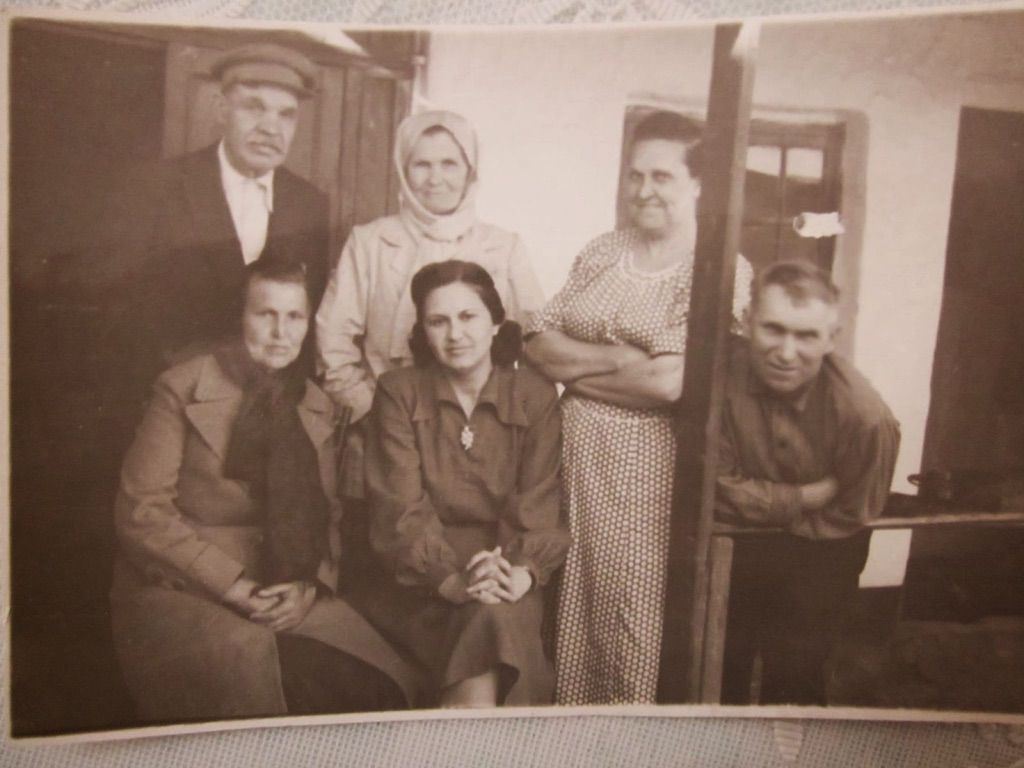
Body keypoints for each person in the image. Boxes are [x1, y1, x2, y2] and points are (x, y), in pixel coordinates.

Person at [109, 256, 419, 722]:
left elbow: (328, 514)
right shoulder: (182, 387)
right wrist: (234, 587)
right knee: (283, 686)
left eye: (294, 317)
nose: (281, 332)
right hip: (183, 591)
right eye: (265, 314)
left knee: (385, 687)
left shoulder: (314, 403)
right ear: (240, 316)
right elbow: (142, 514)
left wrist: (308, 585)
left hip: (285, 590)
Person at [524, 110, 752, 705]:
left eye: (661, 176)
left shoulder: (718, 267)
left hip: (648, 477)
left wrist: (578, 370)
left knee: (630, 611)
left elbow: (671, 383)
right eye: (634, 175)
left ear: (699, 183)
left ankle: (628, 734)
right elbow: (537, 344)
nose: (643, 190)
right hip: (570, 464)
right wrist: (623, 359)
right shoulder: (603, 250)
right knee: (563, 600)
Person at [315, 108, 544, 584]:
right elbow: (332, 342)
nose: (435, 178)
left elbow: (535, 341)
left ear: (471, 169)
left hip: (479, 446)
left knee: (480, 569)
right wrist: (378, 413)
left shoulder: (503, 246)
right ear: (402, 169)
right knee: (386, 571)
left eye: (449, 163)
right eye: (421, 164)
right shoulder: (370, 242)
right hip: (382, 432)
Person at [358, 260, 569, 707]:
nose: (455, 334)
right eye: (438, 321)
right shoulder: (398, 391)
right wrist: (450, 580)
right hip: (420, 580)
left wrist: (519, 572)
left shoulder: (534, 394)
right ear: (423, 331)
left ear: (495, 323)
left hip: (508, 571)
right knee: (488, 621)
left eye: (468, 316)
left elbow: (538, 502)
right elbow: (399, 509)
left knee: (495, 615)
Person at [93, 43, 330, 407]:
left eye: (286, 115)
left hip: (267, 407)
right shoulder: (156, 187)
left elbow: (306, 317)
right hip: (172, 401)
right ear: (221, 109)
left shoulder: (309, 203)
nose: (271, 127)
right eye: (254, 107)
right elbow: (117, 312)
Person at [716, 259, 900, 705]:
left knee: (796, 677)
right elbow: (715, 488)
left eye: (806, 336)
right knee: (719, 671)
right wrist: (804, 496)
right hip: (737, 546)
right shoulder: (716, 385)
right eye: (773, 329)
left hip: (824, 549)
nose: (786, 352)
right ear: (747, 322)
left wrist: (769, 510)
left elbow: (854, 508)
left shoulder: (866, 417)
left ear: (832, 338)